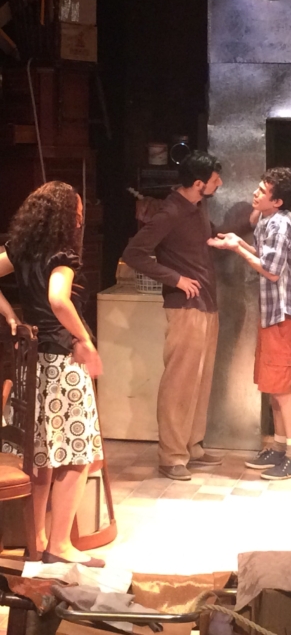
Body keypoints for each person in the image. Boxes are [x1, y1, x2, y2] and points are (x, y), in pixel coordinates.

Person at [0, 181, 105, 566]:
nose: (80, 219)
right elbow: (58, 299)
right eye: (77, 212)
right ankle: (59, 545)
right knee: (79, 454)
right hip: (63, 362)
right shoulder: (61, 257)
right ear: (64, 217)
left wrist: (13, 317)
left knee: (40, 454)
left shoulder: (21, 249)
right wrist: (85, 340)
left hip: (32, 364)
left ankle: (39, 540)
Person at [123, 150, 223, 482]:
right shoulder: (170, 212)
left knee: (199, 380)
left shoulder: (196, 208)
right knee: (179, 383)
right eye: (214, 179)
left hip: (206, 304)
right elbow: (134, 253)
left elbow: (210, 236)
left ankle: (192, 445)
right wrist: (175, 279)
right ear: (198, 183)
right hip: (185, 307)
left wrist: (247, 223)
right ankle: (171, 455)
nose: (220, 183)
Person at [209, 167, 291, 480]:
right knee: (272, 385)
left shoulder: (280, 225)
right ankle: (279, 448)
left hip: (284, 315)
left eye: (263, 191)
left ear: (277, 201)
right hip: (272, 313)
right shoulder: (268, 220)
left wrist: (237, 248)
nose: (255, 193)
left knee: (281, 388)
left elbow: (271, 271)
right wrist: (239, 242)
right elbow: (265, 257)